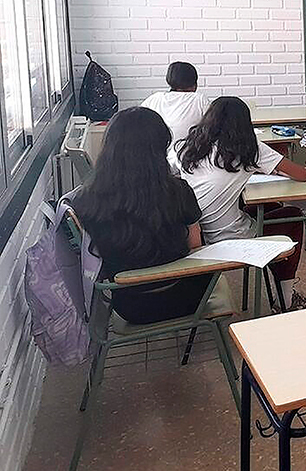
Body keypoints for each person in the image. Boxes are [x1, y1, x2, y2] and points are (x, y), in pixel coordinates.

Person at [71, 107, 208, 325]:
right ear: (159, 150)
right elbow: (196, 247)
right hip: (184, 297)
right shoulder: (178, 191)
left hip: (128, 305)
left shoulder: (86, 200)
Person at [177, 96, 306, 309]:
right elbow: (302, 175)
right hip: (228, 239)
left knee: (270, 207)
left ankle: (277, 282)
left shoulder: (188, 146)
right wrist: (272, 167)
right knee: (291, 215)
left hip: (195, 234)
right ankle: (285, 299)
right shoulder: (248, 147)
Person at [141, 61, 211, 167]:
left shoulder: (154, 99)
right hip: (186, 163)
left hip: (153, 162)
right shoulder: (199, 100)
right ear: (195, 85)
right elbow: (214, 128)